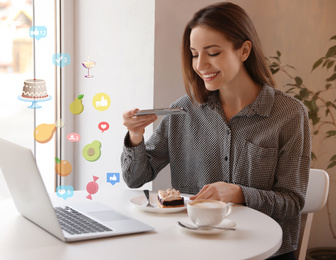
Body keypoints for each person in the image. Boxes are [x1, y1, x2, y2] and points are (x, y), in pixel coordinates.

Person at [121, 2, 311, 259]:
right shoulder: (183, 111)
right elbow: (135, 178)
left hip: (266, 250)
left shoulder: (288, 114)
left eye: (213, 53)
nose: (200, 65)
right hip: (196, 247)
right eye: (195, 54)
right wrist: (136, 136)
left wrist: (240, 194)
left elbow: (292, 202)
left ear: (244, 50)